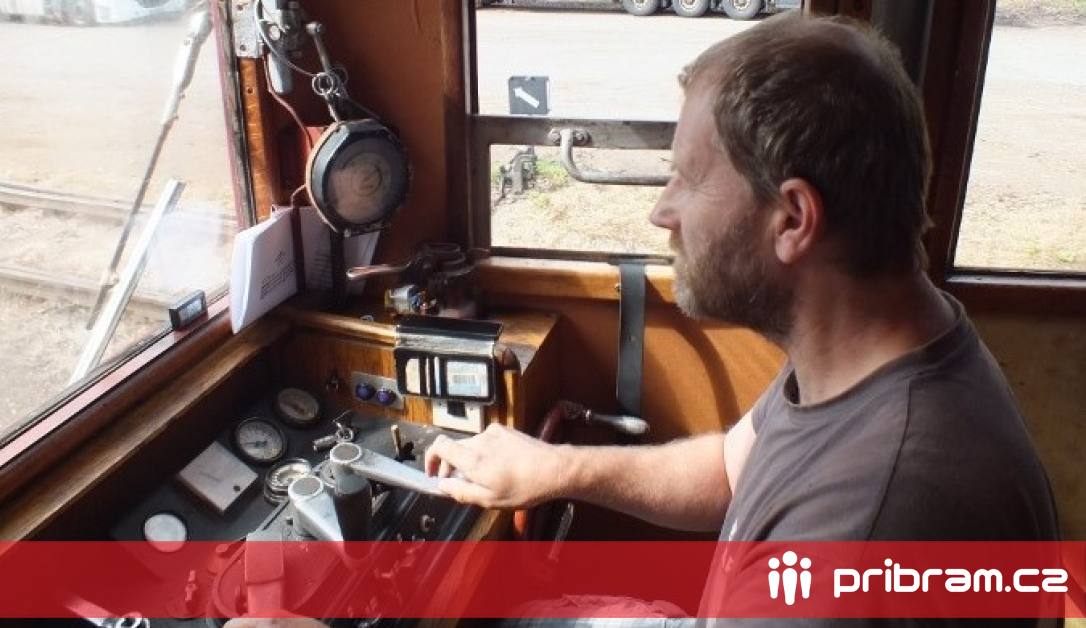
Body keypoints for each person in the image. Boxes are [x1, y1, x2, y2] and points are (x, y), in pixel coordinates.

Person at [423, 10, 1060, 626]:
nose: (662, 212)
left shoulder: (858, 533)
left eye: (687, 178)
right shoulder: (869, 344)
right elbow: (733, 466)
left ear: (793, 219)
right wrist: (555, 468)